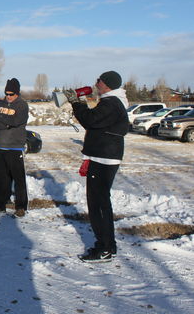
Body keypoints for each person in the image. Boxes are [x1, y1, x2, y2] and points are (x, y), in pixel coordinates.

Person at [67, 71, 129, 263]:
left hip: (104, 158)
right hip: (102, 156)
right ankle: (106, 245)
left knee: (99, 204)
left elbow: (91, 120)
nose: (96, 82)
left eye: (99, 80)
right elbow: (95, 119)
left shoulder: (111, 103)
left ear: (107, 84)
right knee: (99, 203)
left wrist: (77, 103)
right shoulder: (111, 102)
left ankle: (106, 248)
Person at [0, 78, 29, 218]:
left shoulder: (22, 105)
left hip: (15, 148)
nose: (8, 96)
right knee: (0, 178)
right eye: (6, 93)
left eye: (11, 94)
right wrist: (4, 123)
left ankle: (21, 206)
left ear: (17, 93)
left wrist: (1, 119)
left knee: (19, 179)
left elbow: (17, 121)